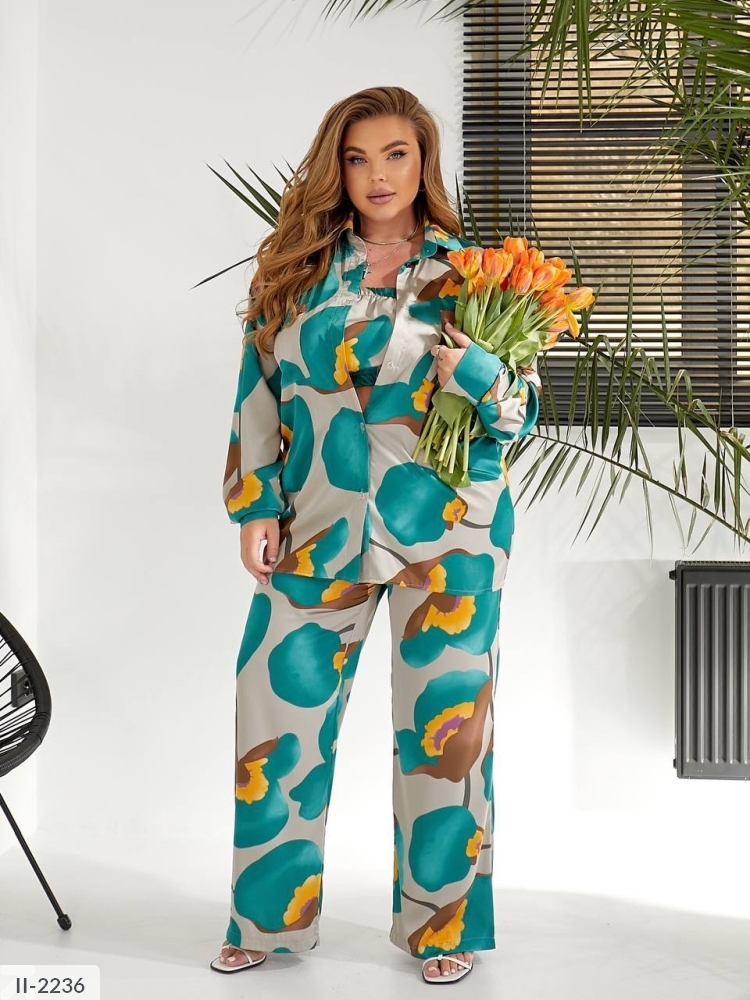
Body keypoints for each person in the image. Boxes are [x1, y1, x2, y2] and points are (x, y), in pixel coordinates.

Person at [210, 85, 541, 985]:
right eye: (357, 158)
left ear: (424, 161)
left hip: (451, 535)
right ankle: (266, 922)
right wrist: (254, 506)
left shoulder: (475, 276)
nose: (377, 175)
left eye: (395, 154)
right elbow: (256, 395)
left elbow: (519, 415)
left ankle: (443, 930)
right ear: (337, 168)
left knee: (447, 742)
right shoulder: (293, 272)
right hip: (316, 529)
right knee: (274, 719)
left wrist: (476, 368)